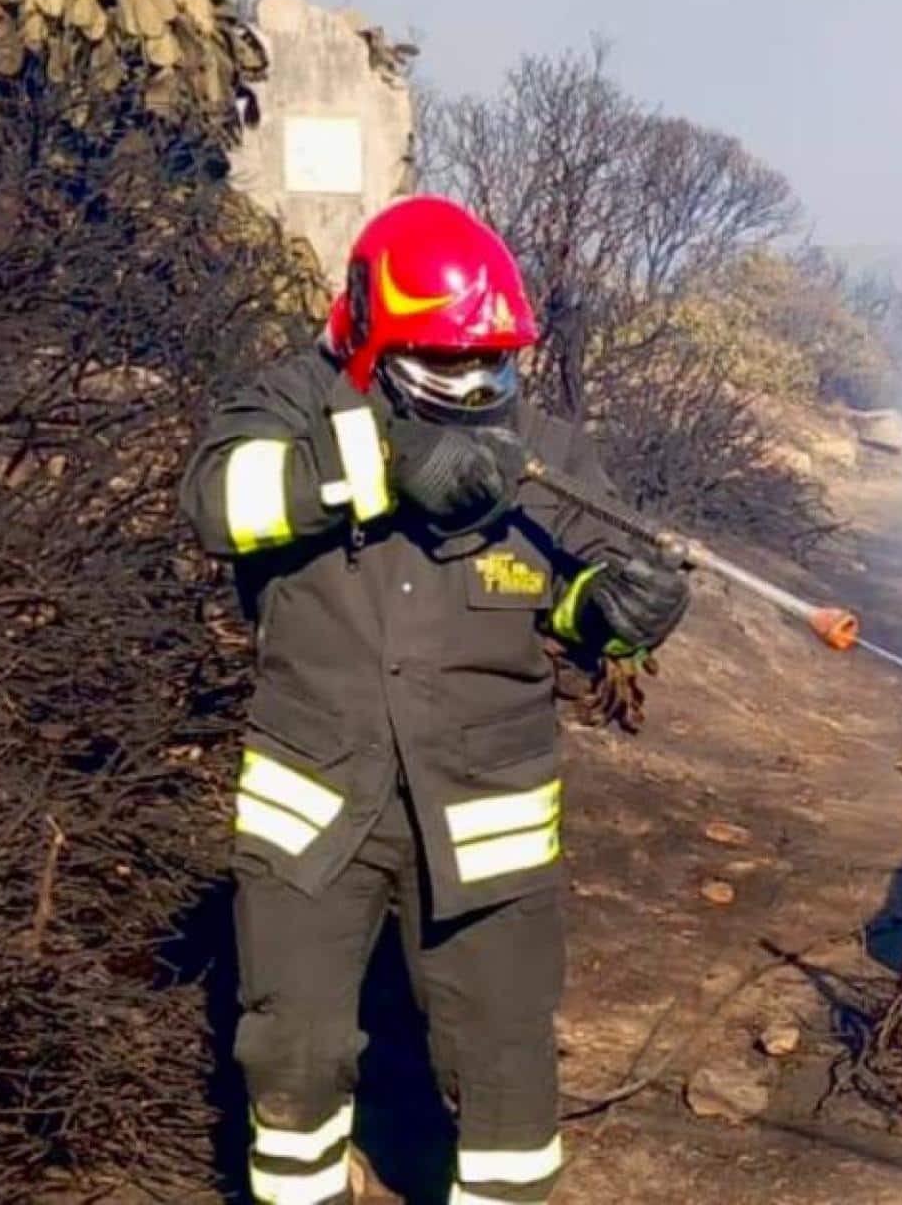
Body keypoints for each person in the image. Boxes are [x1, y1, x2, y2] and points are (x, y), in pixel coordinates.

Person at [183, 196, 690, 1205]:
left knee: (505, 1069)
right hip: (315, 806)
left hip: (488, 814)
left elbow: (580, 588)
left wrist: (619, 611)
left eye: (489, 360)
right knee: (291, 1054)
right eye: (443, 360)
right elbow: (216, 505)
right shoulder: (289, 402)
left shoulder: (541, 447)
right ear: (373, 338)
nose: (469, 381)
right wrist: (379, 465)